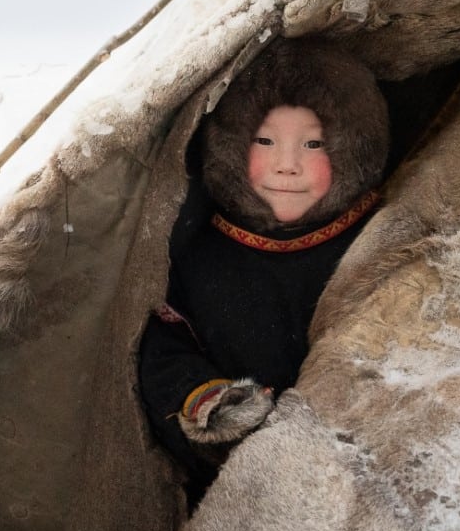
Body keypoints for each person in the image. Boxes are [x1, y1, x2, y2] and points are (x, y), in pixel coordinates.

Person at [138, 37, 389, 502]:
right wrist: (209, 402)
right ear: (231, 145)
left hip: (367, 475)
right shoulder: (200, 257)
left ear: (353, 145)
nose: (287, 165)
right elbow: (161, 348)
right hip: (245, 492)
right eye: (265, 140)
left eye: (313, 143)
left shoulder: (382, 238)